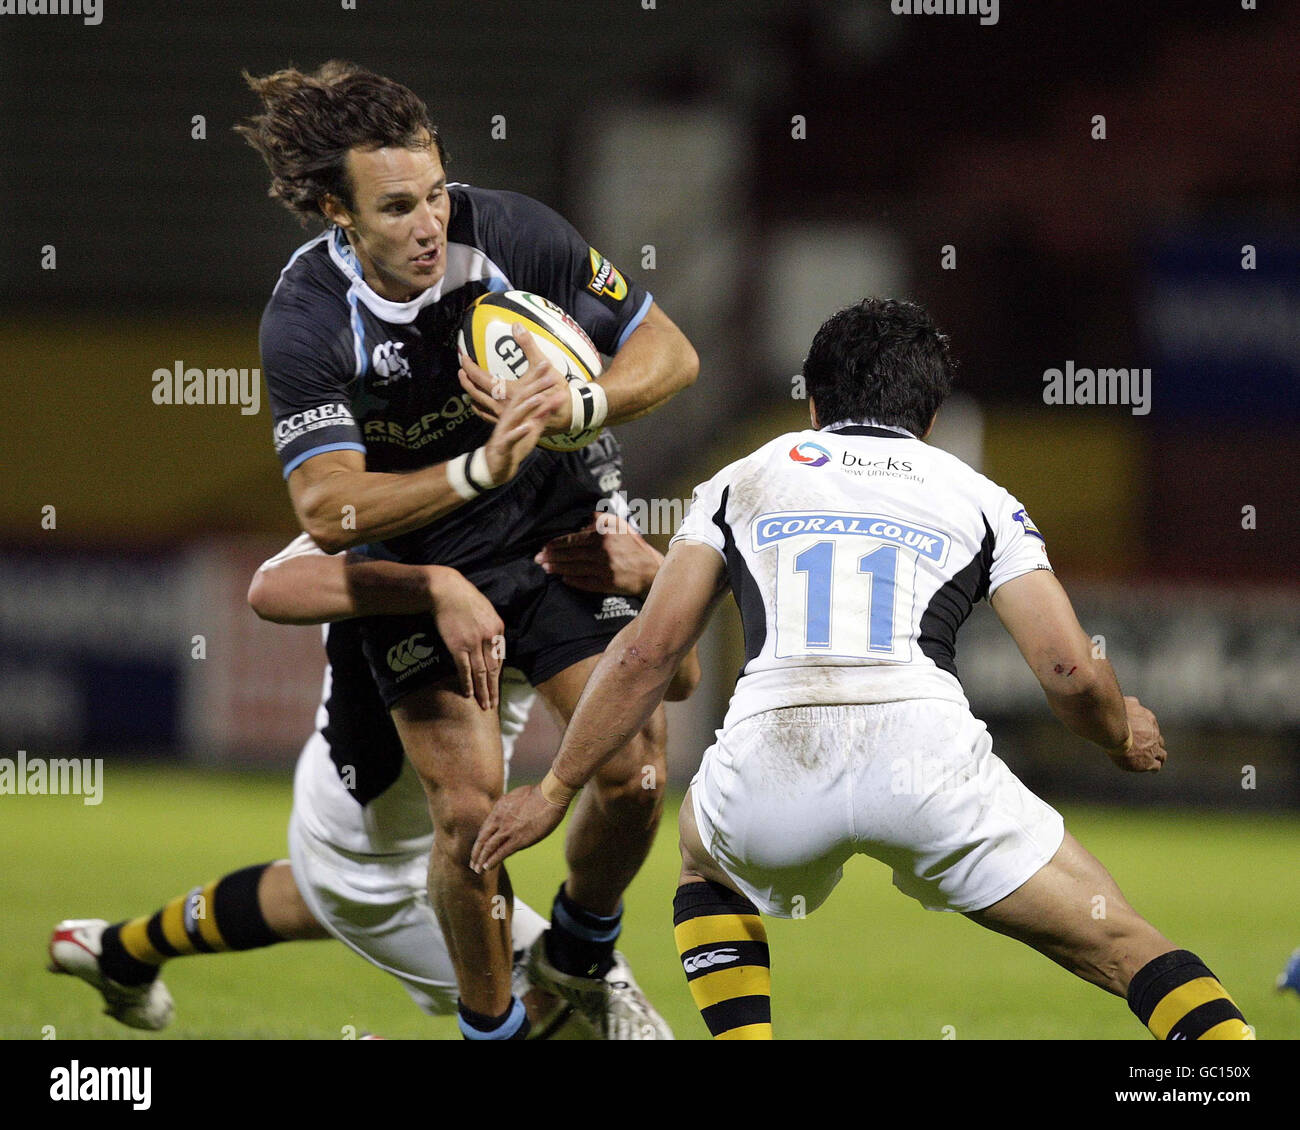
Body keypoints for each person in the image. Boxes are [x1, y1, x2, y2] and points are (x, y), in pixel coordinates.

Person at [471, 297, 1255, 1042]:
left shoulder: (744, 478)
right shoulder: (982, 497)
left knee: (706, 864)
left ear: (813, 404)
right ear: (933, 417)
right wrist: (1122, 735)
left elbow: (646, 654)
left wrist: (554, 789)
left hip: (774, 752)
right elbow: (1070, 672)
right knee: (1117, 938)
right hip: (925, 759)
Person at [239, 61, 699, 1039]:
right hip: (420, 553)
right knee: (466, 812)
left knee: (640, 768)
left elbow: (670, 349)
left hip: (547, 523)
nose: (429, 223)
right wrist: (470, 475)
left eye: (437, 192)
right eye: (397, 206)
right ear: (337, 212)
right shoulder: (309, 313)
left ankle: (577, 947)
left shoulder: (511, 233)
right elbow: (326, 505)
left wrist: (587, 402)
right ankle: (492, 1027)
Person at [49, 502, 698, 1040]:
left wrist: (658, 579)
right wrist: (434, 587)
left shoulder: (569, 530)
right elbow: (273, 587)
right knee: (585, 1027)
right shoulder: (391, 523)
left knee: (313, 893)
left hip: (393, 824)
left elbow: (676, 682)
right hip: (385, 851)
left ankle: (118, 953)